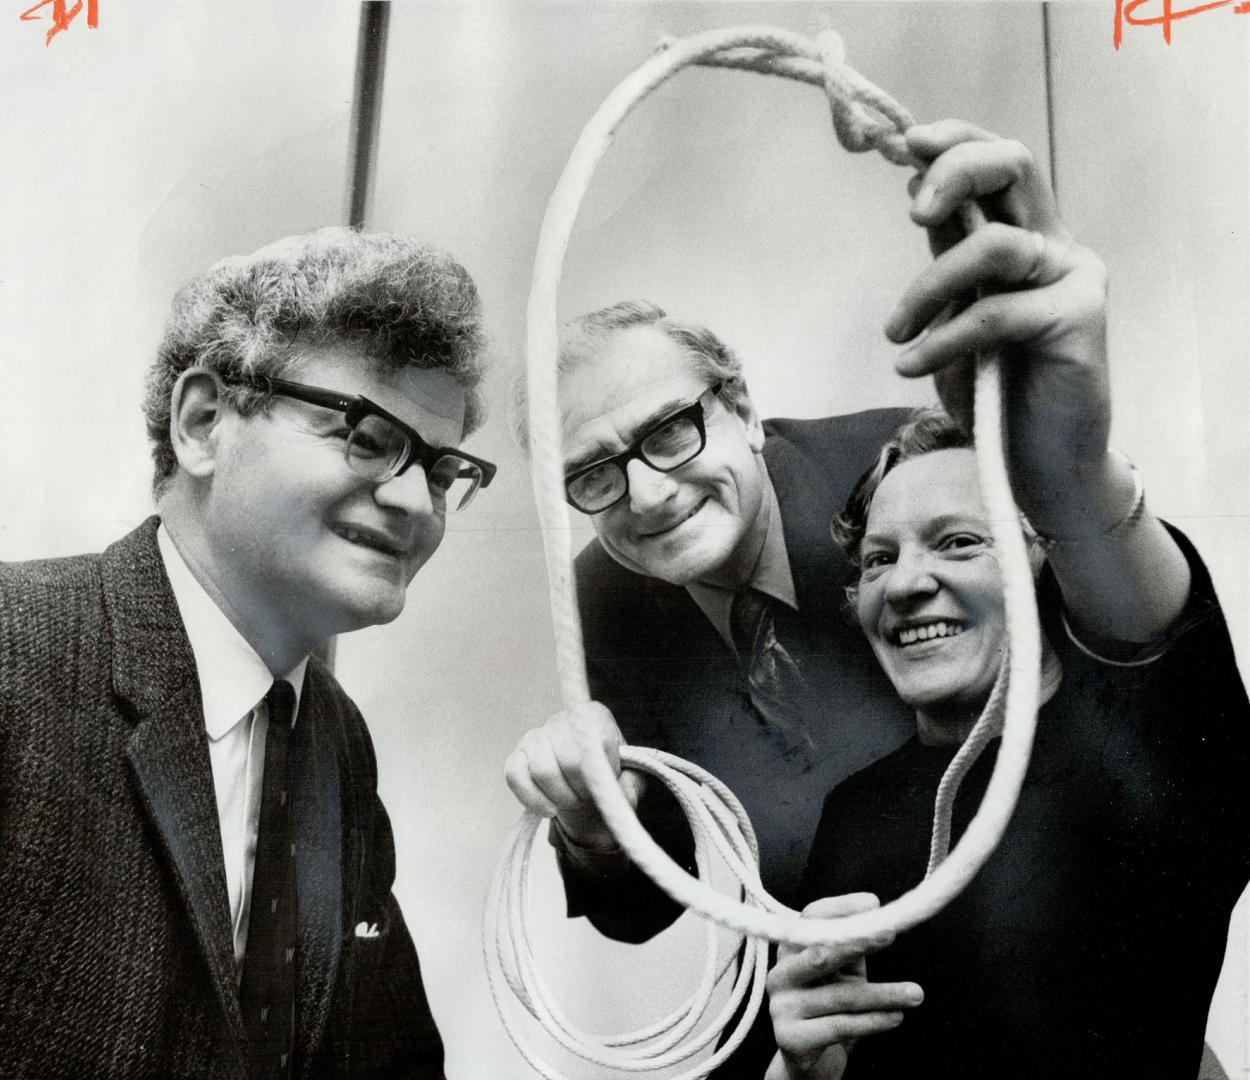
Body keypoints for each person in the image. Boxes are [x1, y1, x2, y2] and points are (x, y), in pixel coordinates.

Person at [504, 118, 1242, 1076]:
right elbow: (645, 895)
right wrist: (594, 826)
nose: (645, 492)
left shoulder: (914, 470)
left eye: (671, 431)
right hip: (832, 1013)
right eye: (593, 473)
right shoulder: (606, 601)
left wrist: (1073, 474)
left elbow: (1146, 678)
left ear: (740, 409)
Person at [0, 227, 497, 1078]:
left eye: (441, 471)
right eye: (367, 437)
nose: (413, 501)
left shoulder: (337, 746)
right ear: (204, 422)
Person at [765, 409, 1250, 1079]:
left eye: (959, 541)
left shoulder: (1144, 751)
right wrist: (798, 1068)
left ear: (1044, 560)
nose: (905, 584)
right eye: (880, 559)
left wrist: (1074, 462)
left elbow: (1163, 631)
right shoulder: (853, 812)